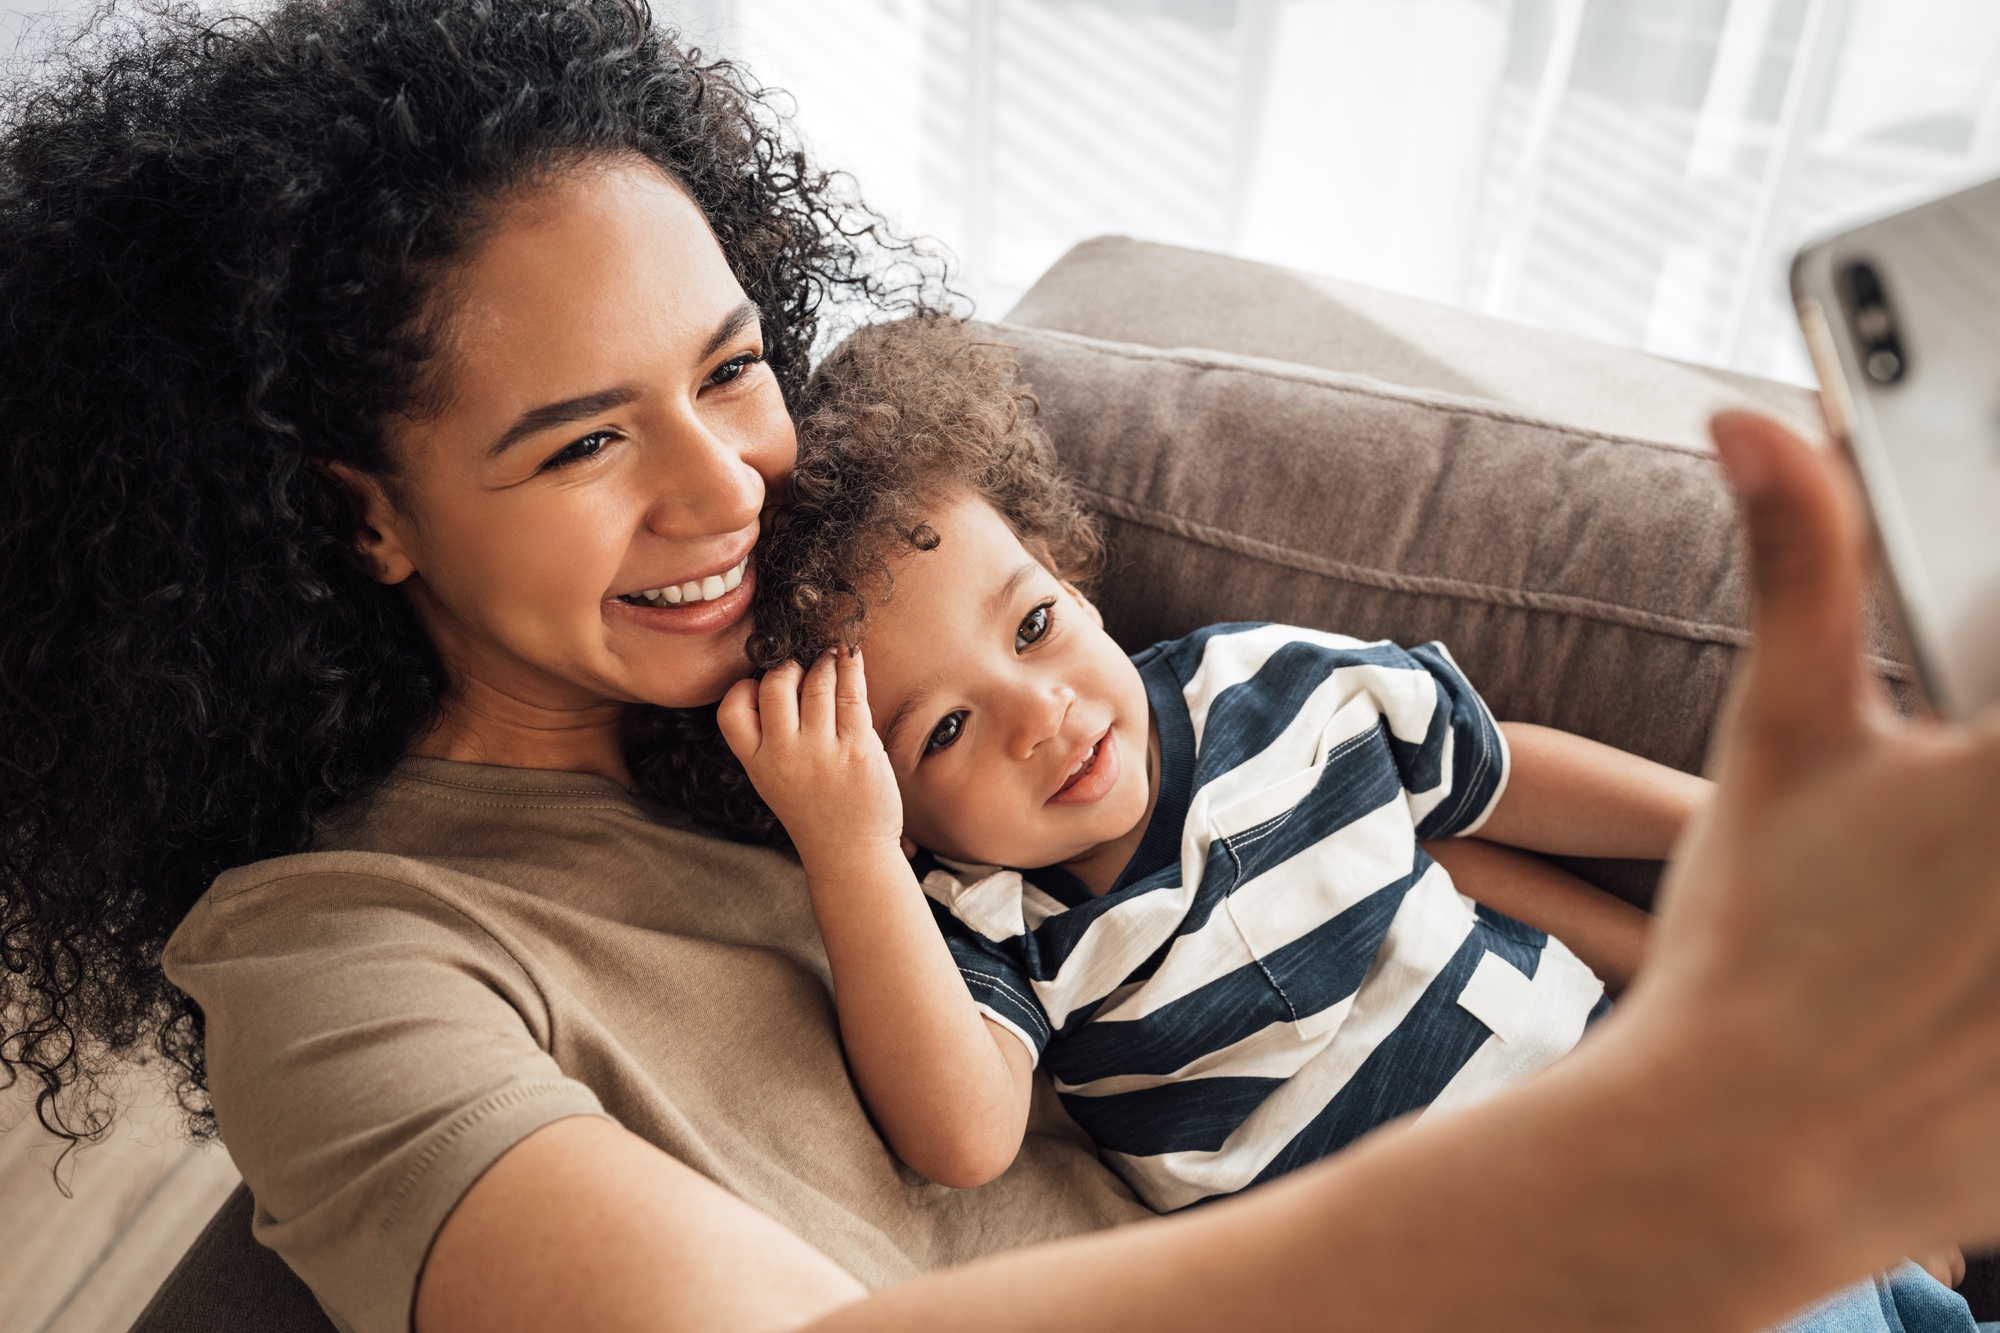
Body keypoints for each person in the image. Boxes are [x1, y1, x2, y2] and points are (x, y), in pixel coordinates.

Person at [2, 3, 1999, 1333]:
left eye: (730, 372)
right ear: (368, 514)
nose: (729, 489)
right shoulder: (333, 968)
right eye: (585, 440)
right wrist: (1668, 1160)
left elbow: (1304, 844)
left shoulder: (854, 656)